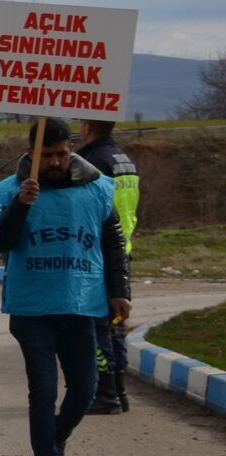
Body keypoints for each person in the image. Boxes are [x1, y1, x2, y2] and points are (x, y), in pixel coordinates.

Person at [0, 120, 129, 456]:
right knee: (43, 390)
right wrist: (20, 205)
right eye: (46, 155)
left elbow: (113, 242)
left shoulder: (97, 187)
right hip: (32, 307)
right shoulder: (9, 191)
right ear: (32, 153)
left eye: (61, 153)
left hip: (81, 304)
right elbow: (2, 242)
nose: (54, 161)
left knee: (86, 388)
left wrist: (120, 290)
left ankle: (56, 438)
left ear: (70, 149)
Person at [76, 119, 139, 414]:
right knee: (116, 325)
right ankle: (119, 390)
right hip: (122, 248)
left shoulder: (93, 161)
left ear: (88, 126)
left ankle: (105, 392)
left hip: (100, 252)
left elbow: (90, 207)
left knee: (98, 327)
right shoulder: (123, 158)